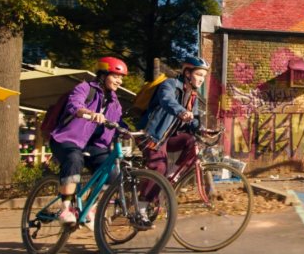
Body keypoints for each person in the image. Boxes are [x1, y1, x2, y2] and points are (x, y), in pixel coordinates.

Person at [49, 57, 127, 227]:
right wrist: (87, 113)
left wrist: (135, 133)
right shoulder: (85, 88)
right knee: (74, 158)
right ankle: (66, 208)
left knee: (112, 172)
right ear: (103, 74)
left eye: (121, 78)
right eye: (115, 76)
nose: (119, 81)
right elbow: (74, 104)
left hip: (93, 145)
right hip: (67, 138)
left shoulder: (114, 102)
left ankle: (90, 208)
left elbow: (119, 121)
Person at [140, 56, 215, 217]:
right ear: (187, 73)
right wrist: (181, 112)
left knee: (191, 141)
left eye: (203, 76)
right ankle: (141, 208)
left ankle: (171, 175)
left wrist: (201, 129)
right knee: (158, 167)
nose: (202, 79)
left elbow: (192, 120)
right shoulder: (170, 84)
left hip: (168, 137)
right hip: (152, 135)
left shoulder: (192, 95)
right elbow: (167, 101)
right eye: (199, 75)